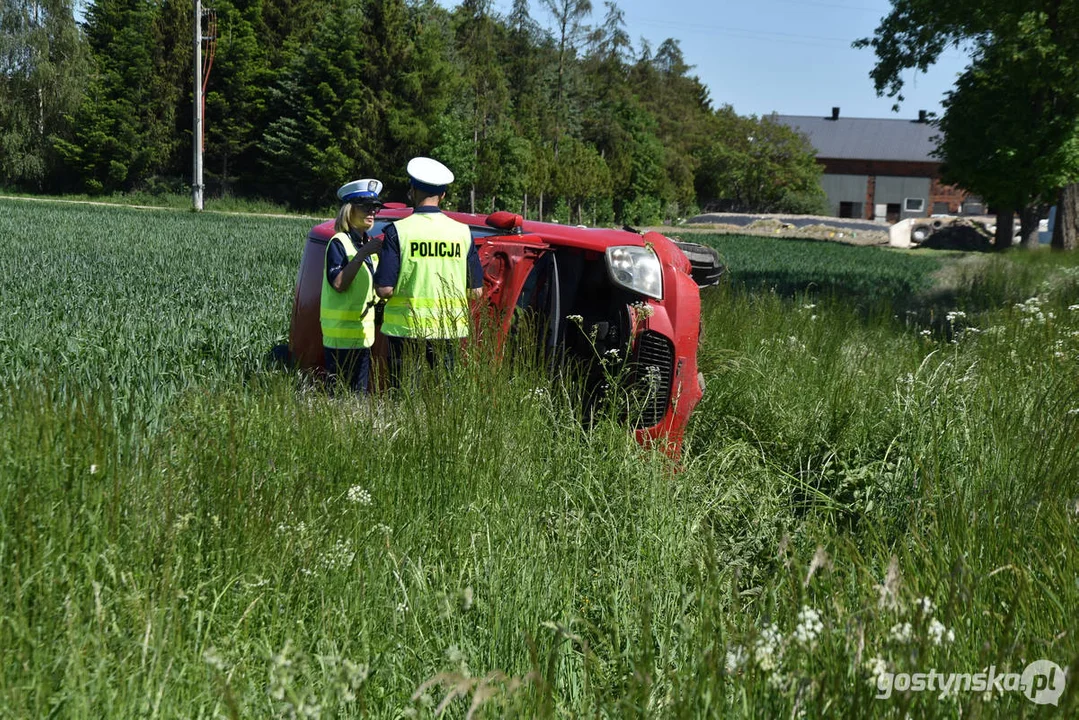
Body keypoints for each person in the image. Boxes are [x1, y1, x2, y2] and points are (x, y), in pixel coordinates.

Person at [373, 157, 484, 389]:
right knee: (443, 399)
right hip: (448, 329)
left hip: (405, 329)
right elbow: (476, 292)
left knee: (404, 397)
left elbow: (384, 289)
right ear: (443, 195)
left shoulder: (398, 232)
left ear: (412, 191)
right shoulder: (463, 233)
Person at [321, 178, 385, 393]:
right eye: (365, 207)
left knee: (357, 400)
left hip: (363, 336)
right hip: (340, 338)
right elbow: (339, 283)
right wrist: (362, 255)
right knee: (340, 398)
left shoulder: (367, 243)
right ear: (349, 210)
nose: (372, 212)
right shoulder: (339, 242)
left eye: (375, 207)